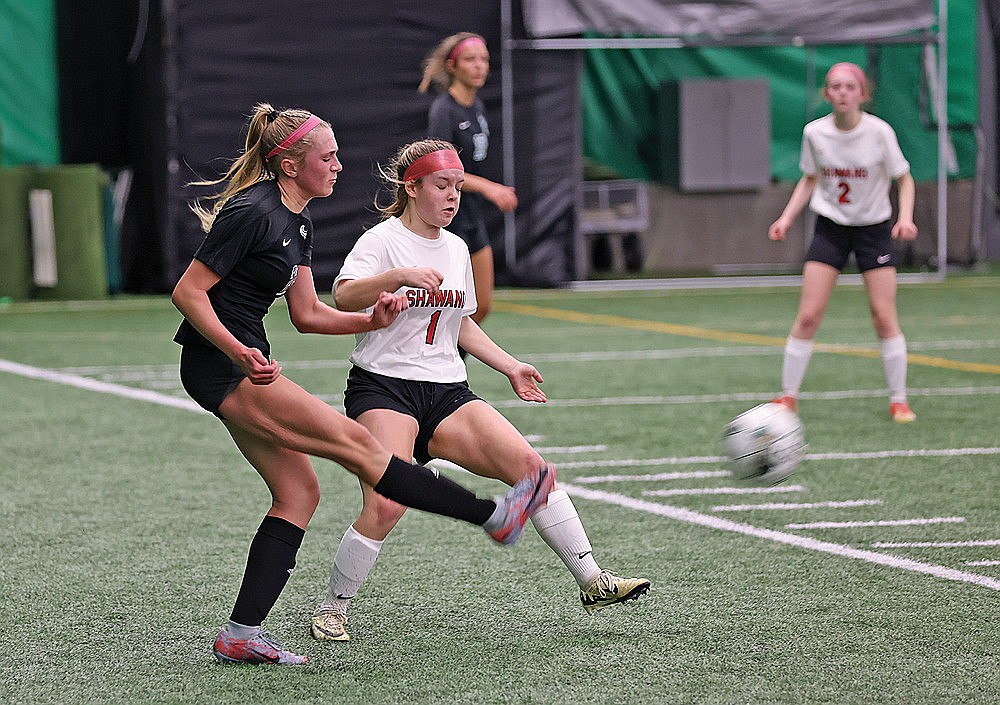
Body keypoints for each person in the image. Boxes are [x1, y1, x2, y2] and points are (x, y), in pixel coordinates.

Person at [171, 104, 554, 666]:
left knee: (299, 493)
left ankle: (240, 633)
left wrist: (369, 320)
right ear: (288, 164)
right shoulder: (253, 211)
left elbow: (306, 313)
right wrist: (239, 350)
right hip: (222, 367)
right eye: (326, 157)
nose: (338, 166)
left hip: (236, 363)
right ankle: (493, 517)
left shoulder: (297, 221)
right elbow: (188, 293)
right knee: (366, 453)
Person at [309, 139, 649, 643]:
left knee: (534, 473)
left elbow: (460, 324)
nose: (453, 197)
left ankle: (594, 580)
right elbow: (341, 294)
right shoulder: (381, 241)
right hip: (383, 390)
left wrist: (509, 366)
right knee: (387, 503)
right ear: (412, 187)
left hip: (448, 392)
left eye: (459, 188)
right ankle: (333, 608)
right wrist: (397, 277)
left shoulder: (456, 247)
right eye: (442, 186)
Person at [767, 62, 919, 423]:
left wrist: (906, 217)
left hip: (873, 229)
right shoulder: (814, 133)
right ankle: (787, 396)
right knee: (808, 314)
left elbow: (905, 178)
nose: (842, 93)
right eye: (835, 87)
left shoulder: (879, 132)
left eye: (850, 87)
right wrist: (787, 217)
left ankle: (898, 399)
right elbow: (809, 178)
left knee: (883, 315)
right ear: (826, 94)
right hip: (831, 227)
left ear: (863, 94)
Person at [419, 32, 516, 336]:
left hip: (472, 214)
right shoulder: (443, 110)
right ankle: (436, 371)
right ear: (452, 66)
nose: (479, 66)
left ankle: (449, 364)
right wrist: (490, 187)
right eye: (470, 60)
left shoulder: (477, 107)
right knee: (448, 305)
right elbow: (442, 167)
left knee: (480, 306)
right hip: (449, 218)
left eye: (484, 59)